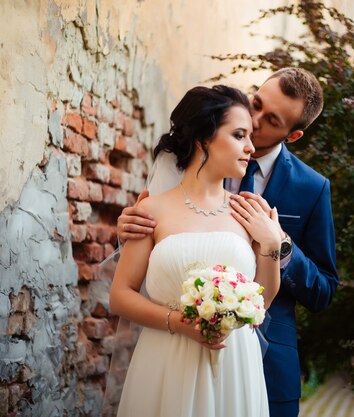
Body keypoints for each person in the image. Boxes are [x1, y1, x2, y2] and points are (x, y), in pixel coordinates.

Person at [117, 68, 339, 417]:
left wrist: (280, 246)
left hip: (260, 365)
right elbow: (153, 235)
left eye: (271, 119)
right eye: (256, 103)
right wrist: (129, 225)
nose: (254, 118)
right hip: (173, 353)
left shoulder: (311, 189)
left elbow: (324, 289)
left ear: (292, 135)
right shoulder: (181, 161)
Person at [109, 85, 282, 417]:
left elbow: (263, 301)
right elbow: (120, 295)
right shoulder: (151, 210)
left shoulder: (249, 214)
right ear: (204, 138)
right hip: (166, 357)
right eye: (239, 135)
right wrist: (179, 322)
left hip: (235, 361)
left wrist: (272, 245)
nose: (250, 147)